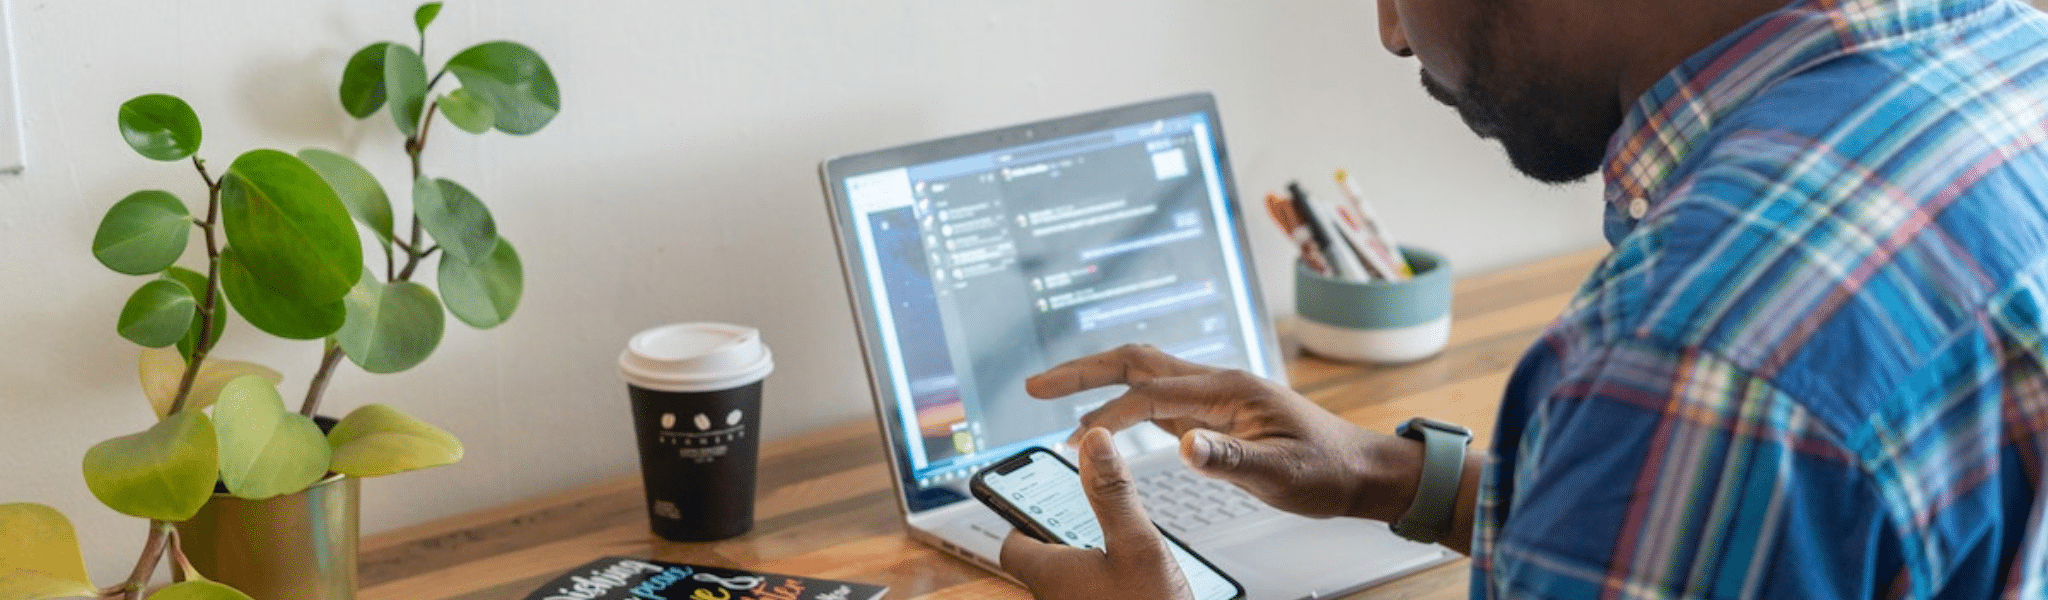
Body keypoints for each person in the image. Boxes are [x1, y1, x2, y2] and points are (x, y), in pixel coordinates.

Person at [1001, 0, 2048, 597]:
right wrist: (1392, 477)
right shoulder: (2009, 61)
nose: (1390, 34)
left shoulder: (1692, 359)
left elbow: (1711, 434)